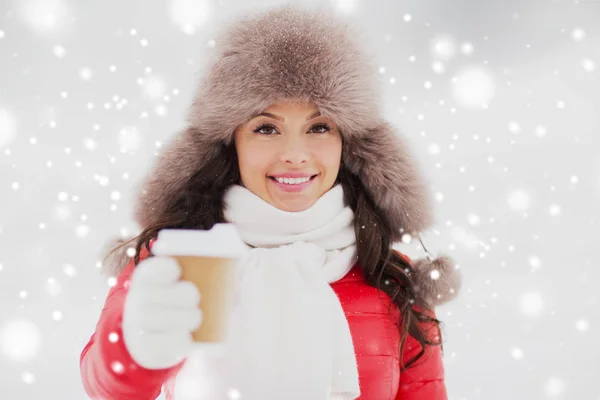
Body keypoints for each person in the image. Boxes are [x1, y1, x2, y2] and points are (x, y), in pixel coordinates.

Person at [80, 5, 461, 400]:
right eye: (266, 128)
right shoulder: (178, 260)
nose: (295, 154)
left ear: (349, 145)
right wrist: (135, 347)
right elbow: (107, 386)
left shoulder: (393, 277)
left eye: (319, 127)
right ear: (232, 145)